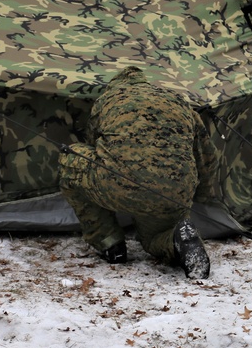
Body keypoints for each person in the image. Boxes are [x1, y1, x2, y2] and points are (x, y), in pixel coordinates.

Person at [58, 67, 218, 280]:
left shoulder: (108, 100)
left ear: (116, 84)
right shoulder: (178, 101)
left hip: (119, 184)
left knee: (72, 157)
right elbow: (207, 157)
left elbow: (93, 146)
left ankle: (109, 242)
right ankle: (178, 239)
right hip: (174, 190)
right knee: (154, 239)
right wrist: (203, 195)